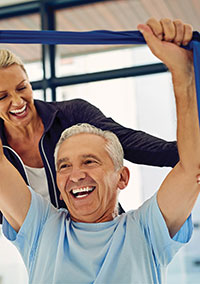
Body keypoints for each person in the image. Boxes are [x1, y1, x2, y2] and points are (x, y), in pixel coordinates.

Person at [1, 18, 199, 283]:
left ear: (123, 177)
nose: (76, 174)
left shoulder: (144, 231)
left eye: (90, 161)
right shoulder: (42, 228)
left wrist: (183, 73)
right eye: (64, 165)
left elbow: (190, 166)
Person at [0, 19, 181, 222]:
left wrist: (188, 157)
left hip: (104, 232)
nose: (17, 101)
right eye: (2, 97)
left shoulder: (71, 114)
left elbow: (128, 141)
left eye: (22, 88)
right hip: (46, 248)